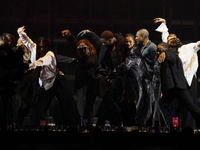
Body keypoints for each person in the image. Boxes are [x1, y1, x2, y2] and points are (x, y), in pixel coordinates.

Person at [16, 26, 78, 127]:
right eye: (39, 47)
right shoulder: (34, 49)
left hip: (57, 80)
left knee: (66, 102)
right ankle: (33, 127)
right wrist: (20, 33)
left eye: (43, 47)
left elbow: (41, 61)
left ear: (47, 47)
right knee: (39, 104)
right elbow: (27, 41)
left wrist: (28, 66)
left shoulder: (50, 55)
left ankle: (73, 126)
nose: (41, 49)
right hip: (46, 83)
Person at [154, 18, 200, 128]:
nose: (170, 39)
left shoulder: (187, 48)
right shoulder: (170, 50)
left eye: (172, 38)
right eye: (169, 38)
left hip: (187, 81)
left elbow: (197, 44)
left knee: (189, 107)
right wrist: (164, 26)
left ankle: (188, 128)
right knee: (171, 107)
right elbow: (166, 41)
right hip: (176, 82)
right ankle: (167, 127)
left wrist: (165, 55)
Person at [0, 33, 28, 131]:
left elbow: (18, 64)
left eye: (9, 41)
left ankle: (13, 123)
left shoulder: (13, 52)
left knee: (12, 103)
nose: (7, 43)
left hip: (11, 82)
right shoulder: (3, 51)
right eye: (5, 41)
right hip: (2, 80)